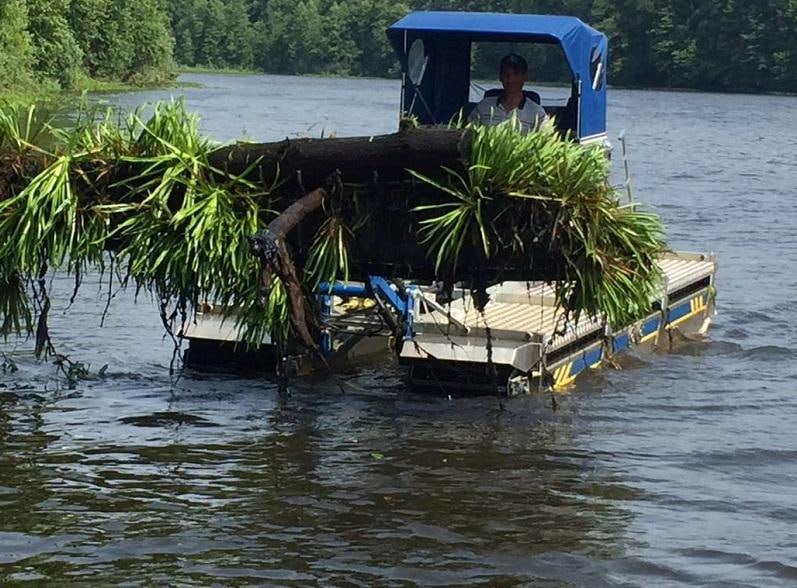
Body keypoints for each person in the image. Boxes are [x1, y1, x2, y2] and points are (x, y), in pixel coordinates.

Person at [468, 53, 547, 132]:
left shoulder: (537, 113)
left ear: (525, 77)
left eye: (515, 74)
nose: (509, 79)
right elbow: (468, 133)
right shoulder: (483, 106)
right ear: (500, 77)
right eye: (505, 74)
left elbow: (545, 137)